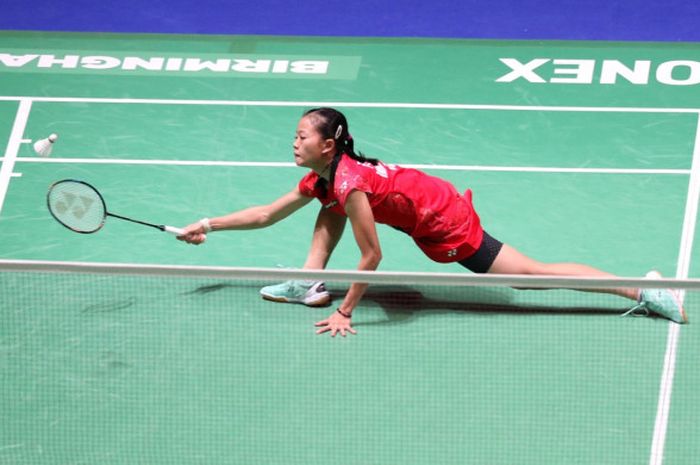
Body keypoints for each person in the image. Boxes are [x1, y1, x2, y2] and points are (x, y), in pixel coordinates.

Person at [178, 107, 688, 335]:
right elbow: (267, 214)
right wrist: (207, 224)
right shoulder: (330, 178)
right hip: (419, 200)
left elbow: (373, 255)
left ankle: (640, 291)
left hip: (444, 221)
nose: (294, 142)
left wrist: (348, 312)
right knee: (322, 204)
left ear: (328, 145)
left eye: (302, 136)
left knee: (532, 277)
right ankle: (310, 281)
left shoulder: (350, 185)